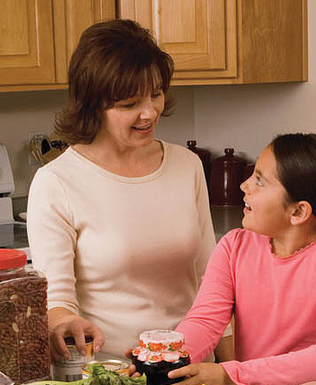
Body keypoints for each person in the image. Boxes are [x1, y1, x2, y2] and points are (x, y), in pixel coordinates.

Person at [27, 19, 231, 361]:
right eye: (128, 104)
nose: (149, 112)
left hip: (190, 373)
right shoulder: (57, 182)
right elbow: (57, 302)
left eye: (156, 94)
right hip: (110, 379)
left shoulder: (186, 165)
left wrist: (231, 374)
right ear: (93, 105)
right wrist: (63, 322)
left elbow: (211, 284)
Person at [146, 133, 316, 385]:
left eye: (259, 181)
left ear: (298, 212)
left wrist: (231, 375)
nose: (244, 185)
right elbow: (204, 322)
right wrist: (162, 362)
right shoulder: (234, 246)